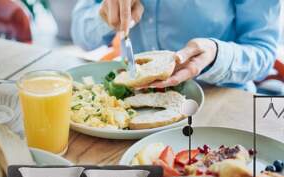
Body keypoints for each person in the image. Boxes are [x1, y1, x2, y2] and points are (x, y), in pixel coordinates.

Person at [71, 0, 282, 91]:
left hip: (219, 104)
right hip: (134, 106)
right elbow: (81, 35)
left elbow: (263, 51)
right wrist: (106, 15)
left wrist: (216, 55)